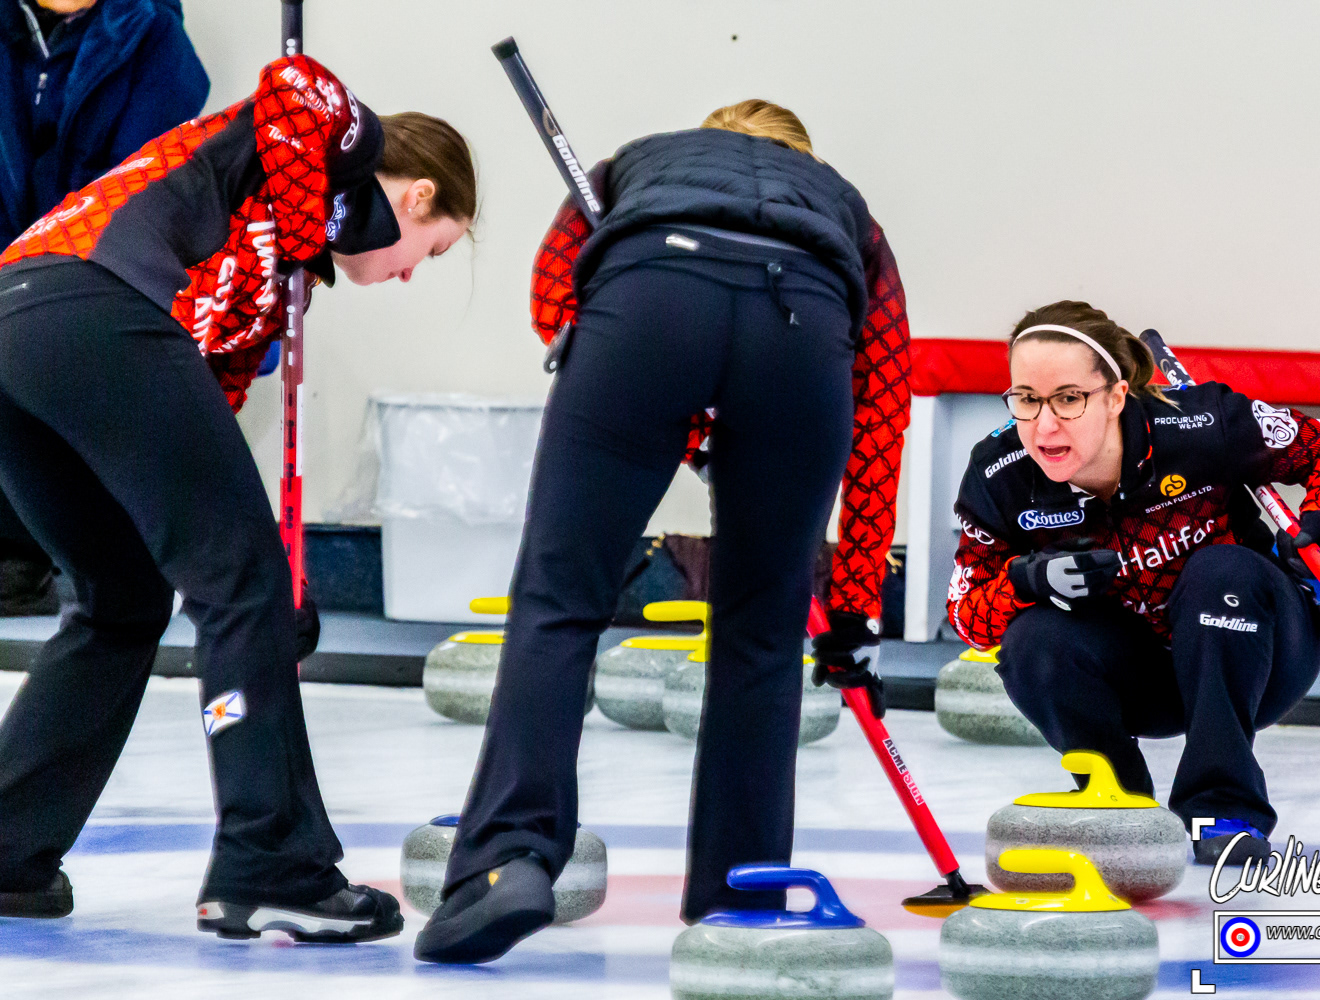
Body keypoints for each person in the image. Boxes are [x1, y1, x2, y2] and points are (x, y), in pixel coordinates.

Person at [415, 99, 910, 964]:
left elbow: (554, 299)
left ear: (709, 135)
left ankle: (507, 862)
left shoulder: (633, 166)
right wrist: (856, 604)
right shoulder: (846, 208)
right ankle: (742, 885)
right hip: (805, 329)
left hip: (649, 297)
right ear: (800, 158)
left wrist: (668, 422)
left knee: (560, 598)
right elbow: (882, 411)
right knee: (762, 631)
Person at [0, 54, 477, 942]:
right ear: (415, 201)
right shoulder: (344, 144)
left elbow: (196, 406)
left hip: (23, 327)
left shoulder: (272, 277)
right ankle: (273, 862)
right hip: (90, 298)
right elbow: (292, 83)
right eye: (433, 250)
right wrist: (253, 578)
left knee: (123, 599)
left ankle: (5, 848)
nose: (412, 274)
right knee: (238, 581)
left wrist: (259, 573)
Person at [946, 301, 1320, 866]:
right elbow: (967, 613)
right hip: (1141, 677)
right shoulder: (1001, 474)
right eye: (1026, 399)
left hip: (1257, 654)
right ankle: (1115, 799)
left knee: (1222, 570)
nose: (1044, 426)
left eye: (1069, 399)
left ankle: (1222, 805)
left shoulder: (1201, 425)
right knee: (1031, 640)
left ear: (1116, 396)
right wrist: (1028, 582)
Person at [0, 0, 210, 612]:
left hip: (89, 263)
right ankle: (17, 552)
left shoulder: (153, 37)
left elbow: (140, 181)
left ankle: (95, 556)